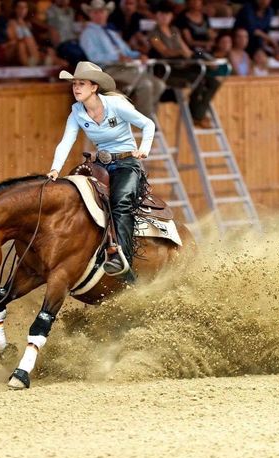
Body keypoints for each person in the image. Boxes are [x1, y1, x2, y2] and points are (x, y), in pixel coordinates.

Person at [48, 61, 155, 277]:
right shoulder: (77, 112)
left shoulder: (116, 105)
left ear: (94, 87)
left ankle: (122, 258)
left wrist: (143, 149)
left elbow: (147, 124)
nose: (76, 88)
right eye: (74, 84)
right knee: (80, 200)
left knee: (120, 203)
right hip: (100, 165)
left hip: (127, 163)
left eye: (82, 84)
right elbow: (66, 142)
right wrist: (55, 169)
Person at [79, 0, 165, 118]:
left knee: (159, 85)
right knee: (145, 85)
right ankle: (146, 121)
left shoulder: (111, 32)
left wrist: (138, 55)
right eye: (95, 12)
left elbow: (127, 51)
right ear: (90, 14)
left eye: (101, 12)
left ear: (107, 13)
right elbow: (93, 57)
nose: (99, 15)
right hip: (108, 70)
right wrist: (117, 57)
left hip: (126, 68)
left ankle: (142, 115)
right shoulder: (88, 33)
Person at [149, 0, 221, 128]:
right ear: (157, 16)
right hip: (167, 70)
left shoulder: (174, 30)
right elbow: (164, 52)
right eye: (162, 14)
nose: (165, 17)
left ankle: (198, 113)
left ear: (171, 16)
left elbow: (186, 50)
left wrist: (201, 57)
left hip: (182, 67)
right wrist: (181, 52)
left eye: (167, 14)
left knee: (213, 82)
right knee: (198, 80)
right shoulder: (154, 34)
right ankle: (197, 115)